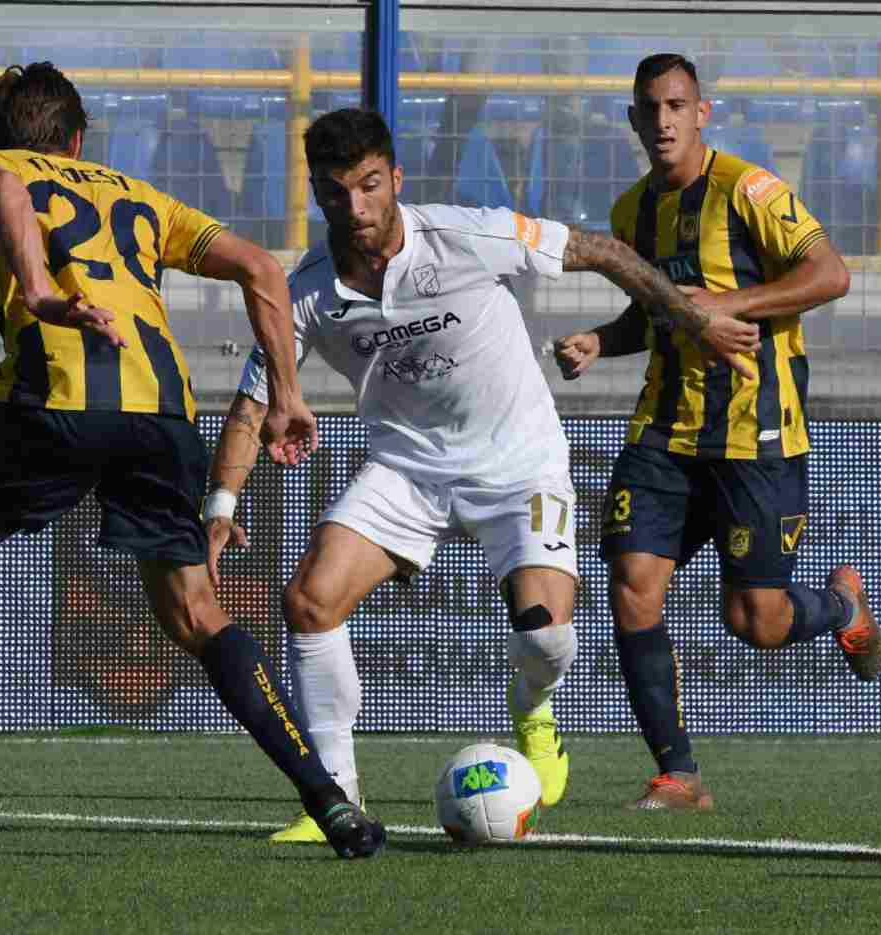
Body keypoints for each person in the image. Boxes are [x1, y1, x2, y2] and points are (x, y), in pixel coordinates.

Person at [0, 63, 384, 859]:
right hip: (163, 413)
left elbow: (6, 192)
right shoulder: (138, 194)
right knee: (198, 611)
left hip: (51, 400)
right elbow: (263, 268)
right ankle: (329, 799)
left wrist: (40, 289)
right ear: (80, 136)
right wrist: (290, 397)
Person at [202, 107, 760, 844]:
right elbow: (252, 401)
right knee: (309, 601)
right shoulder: (305, 289)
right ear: (317, 193)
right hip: (407, 468)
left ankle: (532, 709)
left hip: (518, 460)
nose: (357, 207)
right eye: (338, 193)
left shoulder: (467, 234)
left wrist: (692, 319)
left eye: (371, 186)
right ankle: (331, 796)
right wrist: (220, 501)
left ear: (395, 178)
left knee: (544, 635)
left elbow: (600, 251)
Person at [553, 53, 881, 811]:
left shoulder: (750, 190)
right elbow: (654, 309)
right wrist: (603, 341)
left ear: (702, 113)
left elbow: (830, 274)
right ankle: (679, 773)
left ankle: (842, 607)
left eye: (678, 105)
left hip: (755, 432)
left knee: (756, 620)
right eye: (650, 108)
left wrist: (729, 305)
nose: (664, 120)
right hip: (665, 428)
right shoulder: (630, 212)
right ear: (634, 119)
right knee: (633, 585)